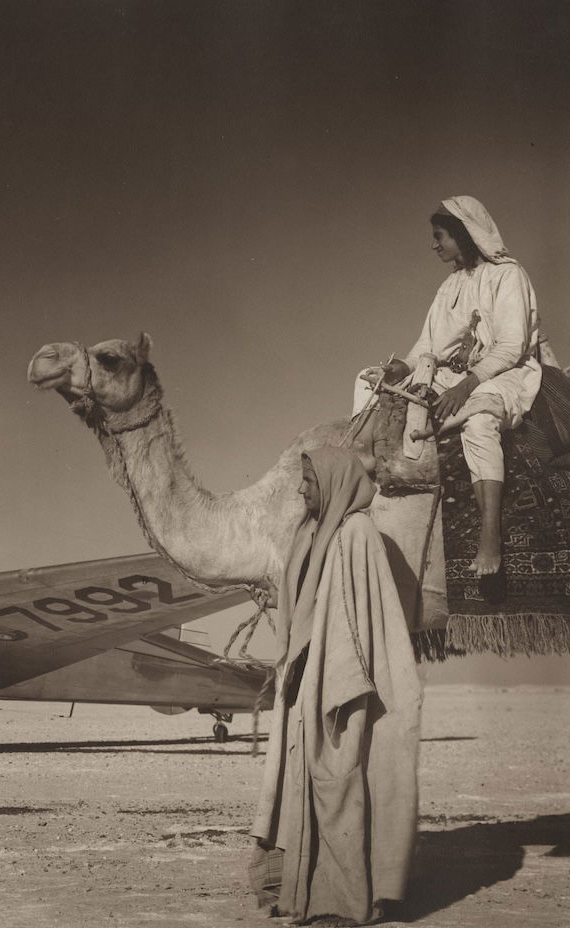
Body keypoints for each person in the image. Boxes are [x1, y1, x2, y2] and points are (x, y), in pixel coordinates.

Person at [250, 446, 423, 927]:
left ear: (332, 481)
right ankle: (302, 892)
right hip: (307, 678)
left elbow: (359, 621)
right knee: (302, 785)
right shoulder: (311, 534)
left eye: (309, 479)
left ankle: (345, 901)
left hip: (345, 677)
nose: (302, 488)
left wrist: (336, 675)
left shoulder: (358, 534)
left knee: (341, 778)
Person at [361, 196, 555, 576]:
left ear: (463, 235)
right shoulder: (449, 287)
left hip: (506, 373)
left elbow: (512, 346)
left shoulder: (508, 275)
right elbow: (427, 347)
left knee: (479, 423)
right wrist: (398, 367)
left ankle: (489, 536)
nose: (434, 245)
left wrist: (466, 387)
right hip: (454, 374)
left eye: (440, 236)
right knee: (368, 380)